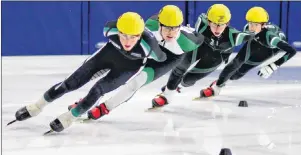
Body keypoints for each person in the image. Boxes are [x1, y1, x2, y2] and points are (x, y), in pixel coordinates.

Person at [8, 12, 166, 133]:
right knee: (69, 83)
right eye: (123, 35)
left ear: (140, 36)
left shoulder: (150, 46)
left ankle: (69, 118)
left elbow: (162, 58)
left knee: (97, 90)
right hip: (106, 56)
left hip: (127, 68)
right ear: (117, 31)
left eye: (133, 38)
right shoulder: (109, 29)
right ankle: (36, 107)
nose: (127, 41)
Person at [67, 5, 205, 120]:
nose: (171, 32)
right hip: (150, 52)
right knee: (116, 70)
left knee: (136, 82)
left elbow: (200, 36)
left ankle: (106, 108)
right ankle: (89, 101)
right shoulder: (150, 25)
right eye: (167, 28)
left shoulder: (189, 42)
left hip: (168, 59)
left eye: (175, 28)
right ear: (159, 23)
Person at [151, 4, 254, 107]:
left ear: (227, 24)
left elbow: (250, 35)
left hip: (217, 56)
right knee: (180, 67)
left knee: (188, 81)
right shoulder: (202, 23)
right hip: (200, 47)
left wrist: (253, 31)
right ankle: (167, 96)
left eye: (221, 24)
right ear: (208, 21)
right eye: (214, 24)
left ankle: (179, 86)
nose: (217, 28)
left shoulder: (234, 36)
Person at [199, 6, 297, 98]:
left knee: (237, 75)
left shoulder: (270, 37)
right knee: (237, 62)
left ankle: (220, 83)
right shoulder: (248, 29)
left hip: (270, 48)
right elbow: (236, 57)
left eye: (255, 25)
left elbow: (292, 51)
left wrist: (273, 66)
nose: (251, 28)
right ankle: (216, 87)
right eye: (250, 23)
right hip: (257, 40)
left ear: (263, 25)